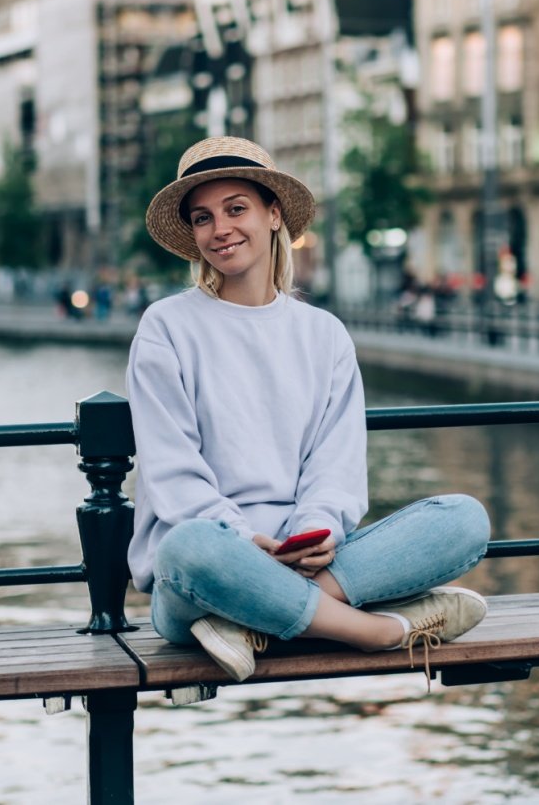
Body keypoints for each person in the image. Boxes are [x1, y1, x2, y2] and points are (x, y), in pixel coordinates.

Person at [127, 136, 492, 684]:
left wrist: (318, 529)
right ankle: (381, 632)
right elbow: (171, 471)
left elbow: (336, 463)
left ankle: (251, 622)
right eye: (203, 218)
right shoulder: (165, 327)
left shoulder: (323, 334)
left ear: (274, 216)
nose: (219, 229)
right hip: (209, 567)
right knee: (186, 548)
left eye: (236, 209)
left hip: (307, 559)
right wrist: (242, 542)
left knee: (464, 520)